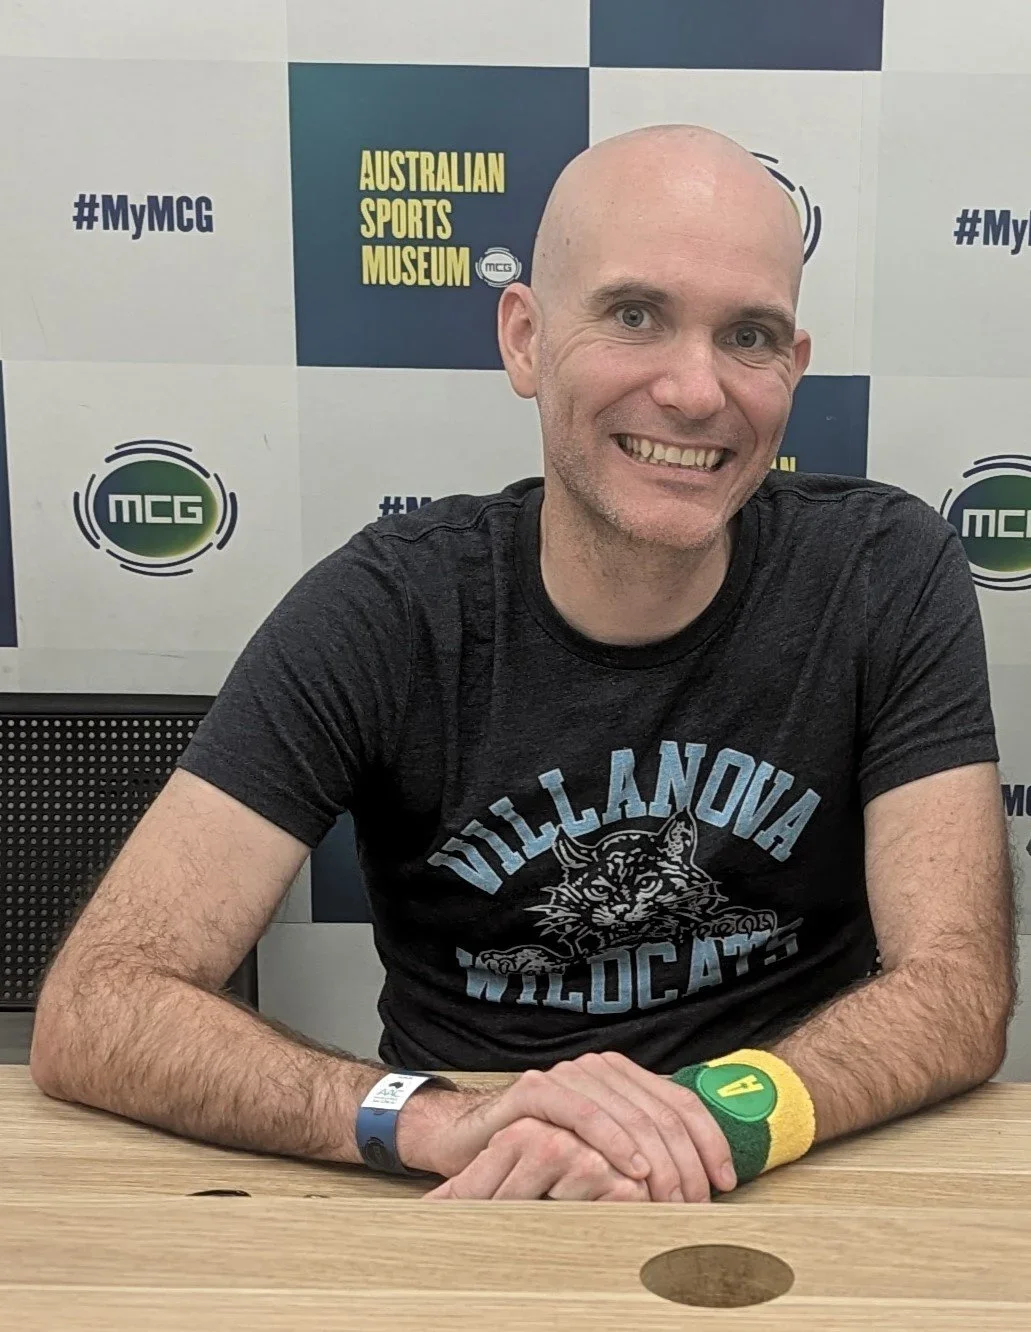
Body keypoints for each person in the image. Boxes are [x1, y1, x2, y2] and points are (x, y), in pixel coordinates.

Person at [30, 125, 1016, 1205]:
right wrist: (443, 1122)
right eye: (634, 316)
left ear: (791, 368)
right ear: (523, 339)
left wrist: (705, 1124)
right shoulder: (388, 610)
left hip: (788, 1158)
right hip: (480, 1182)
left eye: (747, 335)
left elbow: (955, 984)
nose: (694, 391)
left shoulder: (879, 570)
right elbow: (100, 1004)